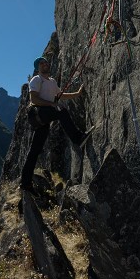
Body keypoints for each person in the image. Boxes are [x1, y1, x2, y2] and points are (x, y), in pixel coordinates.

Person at [21, 56, 92, 191]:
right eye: (41, 64)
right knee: (61, 111)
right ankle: (78, 138)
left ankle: (25, 184)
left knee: (35, 150)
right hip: (37, 113)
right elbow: (34, 99)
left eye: (45, 62)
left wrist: (76, 94)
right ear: (37, 68)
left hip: (43, 118)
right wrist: (52, 104)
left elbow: (60, 95)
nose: (44, 64)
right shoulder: (36, 79)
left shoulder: (52, 82)